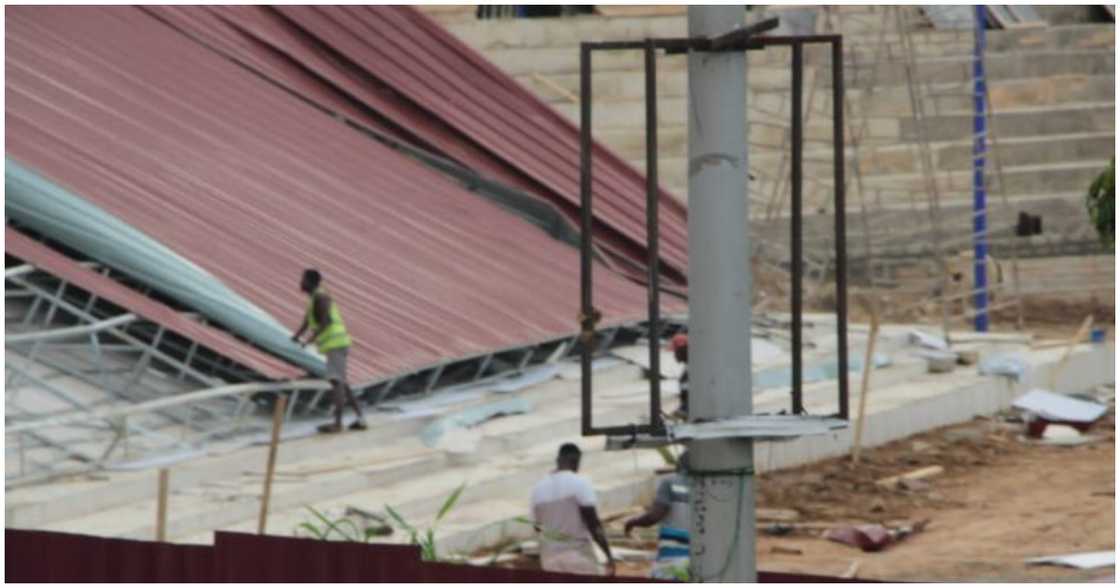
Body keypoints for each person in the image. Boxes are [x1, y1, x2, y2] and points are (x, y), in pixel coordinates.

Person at [291, 269, 366, 433]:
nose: (300, 283)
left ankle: (337, 424)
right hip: (335, 344)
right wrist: (296, 337)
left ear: (310, 282)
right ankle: (361, 419)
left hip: (336, 342)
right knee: (342, 383)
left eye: (303, 279)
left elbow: (327, 320)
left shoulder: (321, 296)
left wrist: (308, 340)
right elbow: (307, 321)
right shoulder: (314, 298)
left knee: (336, 382)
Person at [530, 443, 615, 576]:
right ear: (576, 461)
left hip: (549, 559)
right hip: (578, 557)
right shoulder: (580, 483)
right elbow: (594, 524)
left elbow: (537, 527)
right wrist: (608, 555)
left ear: (557, 460)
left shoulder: (537, 490)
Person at [624, 451, 692, 580]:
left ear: (678, 465)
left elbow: (654, 516)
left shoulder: (670, 482)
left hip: (673, 556)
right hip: (700, 556)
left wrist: (632, 522)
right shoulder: (708, 485)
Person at [670, 333, 689, 419]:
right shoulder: (689, 370)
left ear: (683, 349)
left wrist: (682, 411)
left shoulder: (688, 375)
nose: (674, 355)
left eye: (675, 351)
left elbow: (688, 399)